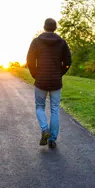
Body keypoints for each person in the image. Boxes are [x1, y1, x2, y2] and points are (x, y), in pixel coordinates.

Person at [27, 18, 72, 149]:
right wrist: (61, 73)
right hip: (56, 82)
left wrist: (35, 74)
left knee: (40, 107)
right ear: (55, 28)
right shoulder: (62, 42)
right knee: (55, 110)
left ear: (44, 27)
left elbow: (30, 60)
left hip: (41, 80)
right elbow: (68, 61)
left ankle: (44, 129)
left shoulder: (36, 41)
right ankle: (52, 139)